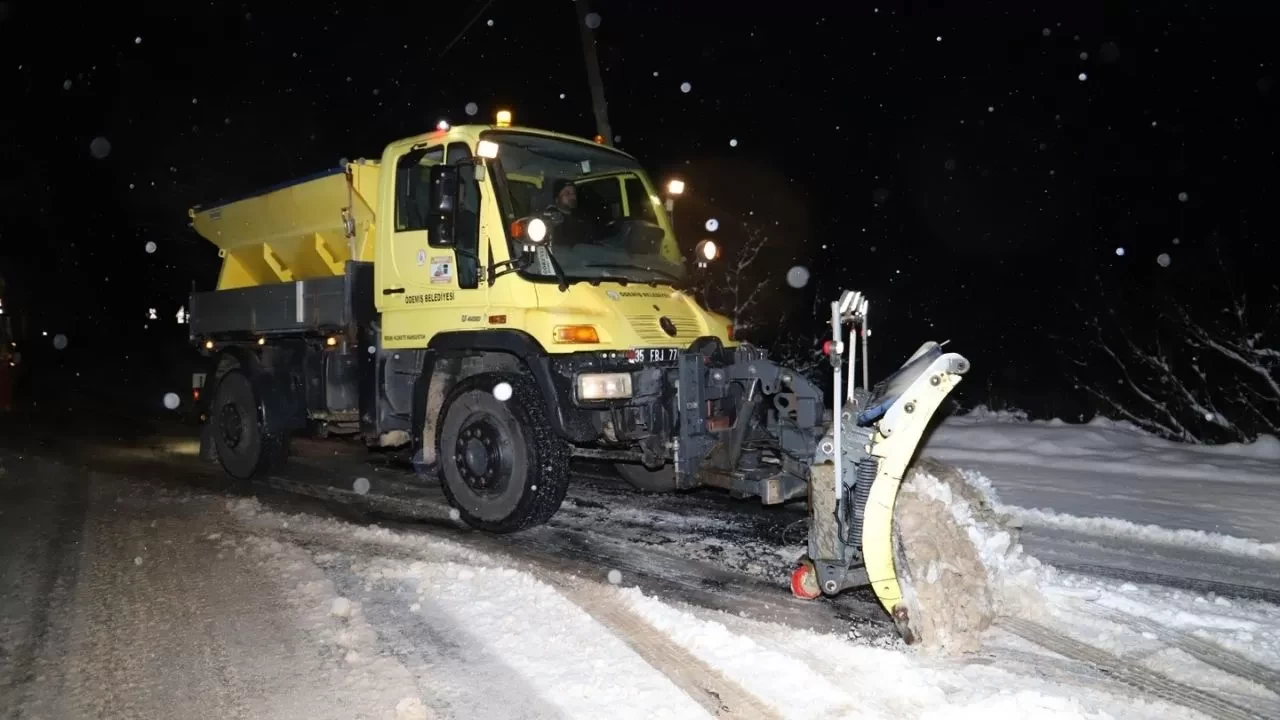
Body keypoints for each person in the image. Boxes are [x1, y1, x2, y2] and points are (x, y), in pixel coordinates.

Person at [548, 179, 592, 248]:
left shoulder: (582, 215)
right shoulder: (551, 217)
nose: (572, 196)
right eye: (567, 193)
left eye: (574, 193)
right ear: (557, 199)